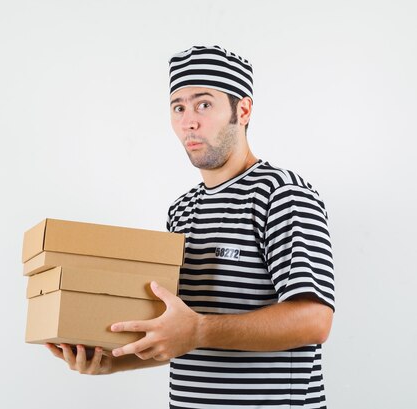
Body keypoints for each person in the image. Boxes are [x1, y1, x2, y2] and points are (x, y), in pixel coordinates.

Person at [46, 45, 335, 408]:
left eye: (204, 104)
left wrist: (198, 328)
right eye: (178, 107)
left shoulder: (281, 195)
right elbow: (180, 334)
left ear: (242, 110)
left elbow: (314, 319)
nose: (189, 121)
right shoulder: (181, 210)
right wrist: (115, 362)